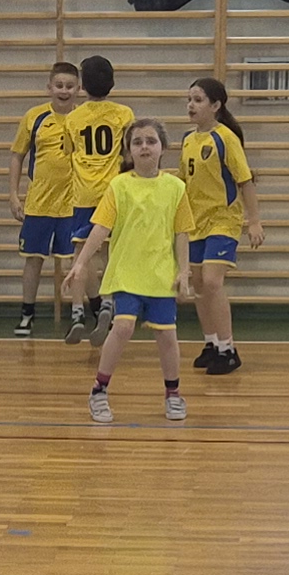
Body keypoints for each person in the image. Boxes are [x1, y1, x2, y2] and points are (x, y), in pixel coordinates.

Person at [79, 114, 193, 427]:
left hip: (160, 274)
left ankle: (173, 393)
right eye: (137, 142)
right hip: (127, 273)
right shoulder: (119, 186)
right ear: (129, 150)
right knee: (123, 327)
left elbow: (182, 232)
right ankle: (99, 390)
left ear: (163, 148)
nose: (144, 147)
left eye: (151, 141)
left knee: (167, 335)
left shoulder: (175, 187)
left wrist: (183, 271)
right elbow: (101, 228)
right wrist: (81, 262)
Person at [177, 75, 260, 374]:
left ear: (215, 105)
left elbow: (245, 181)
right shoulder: (188, 140)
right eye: (189, 100)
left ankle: (229, 349)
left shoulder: (225, 138)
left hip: (223, 220)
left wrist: (254, 221)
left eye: (198, 100)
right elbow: (183, 182)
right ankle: (211, 343)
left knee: (212, 282)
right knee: (199, 285)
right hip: (195, 222)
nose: (191, 105)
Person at [53, 55, 131, 340]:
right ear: (112, 82)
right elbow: (128, 153)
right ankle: (108, 302)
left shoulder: (73, 118)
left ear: (82, 86)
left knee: (81, 253)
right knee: (110, 251)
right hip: (113, 191)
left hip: (84, 194)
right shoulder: (124, 114)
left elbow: (67, 151)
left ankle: (77, 311)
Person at [8, 60, 86, 339]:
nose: (64, 91)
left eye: (70, 86)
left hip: (74, 204)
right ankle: (27, 314)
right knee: (33, 259)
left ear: (79, 89)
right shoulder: (35, 117)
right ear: (49, 87)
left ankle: (78, 313)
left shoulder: (84, 118)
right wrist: (13, 194)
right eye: (59, 85)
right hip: (39, 203)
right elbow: (17, 156)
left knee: (78, 261)